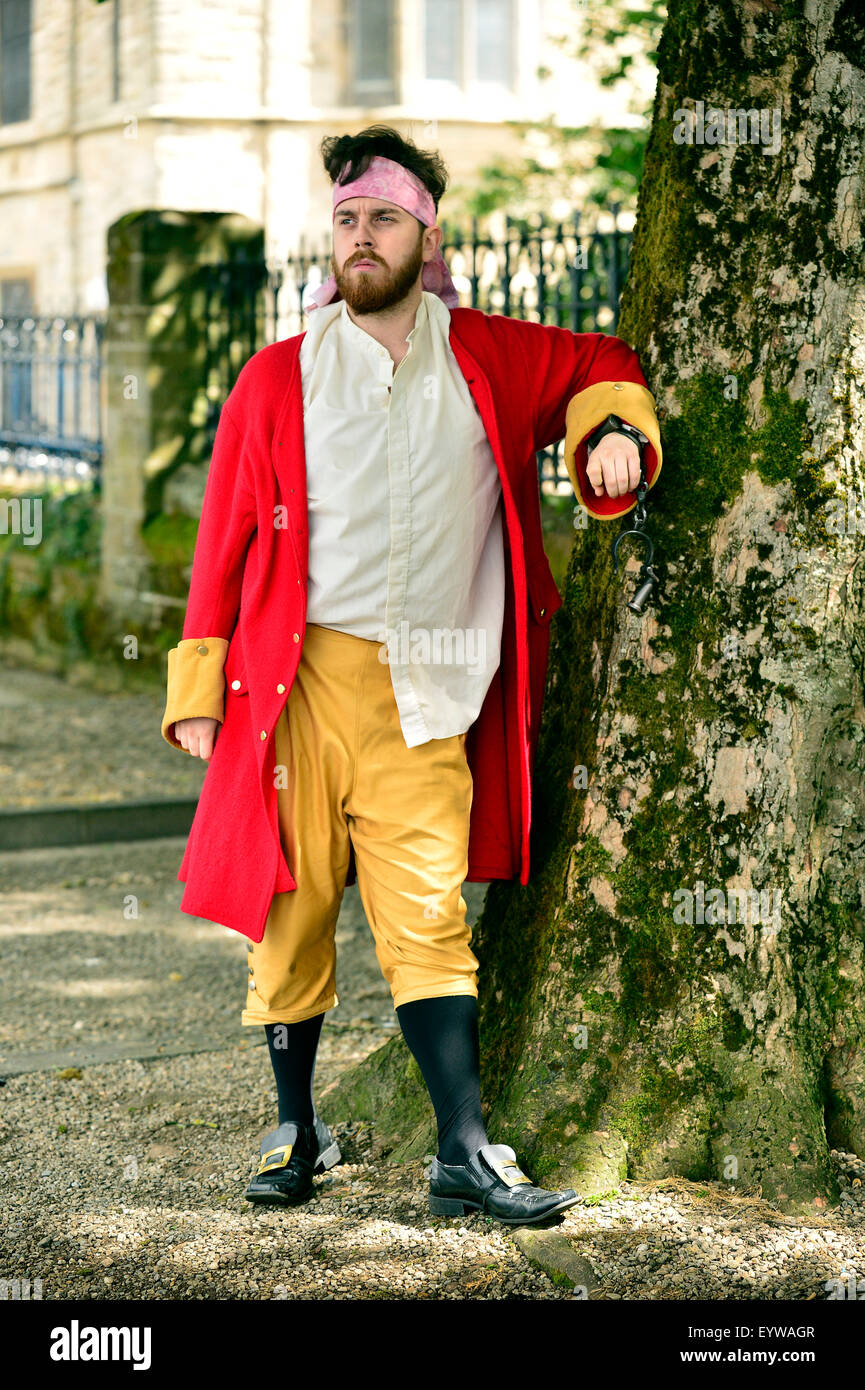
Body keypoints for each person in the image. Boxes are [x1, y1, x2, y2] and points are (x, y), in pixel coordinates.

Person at [161, 124, 662, 1226]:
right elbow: (224, 538)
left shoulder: (487, 353)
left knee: (427, 918)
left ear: (426, 231)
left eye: (383, 217)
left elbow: (600, 364)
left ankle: (463, 1153)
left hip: (430, 688)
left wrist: (612, 430)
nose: (360, 238)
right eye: (345, 219)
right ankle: (295, 1129)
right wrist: (198, 693)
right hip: (291, 689)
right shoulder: (276, 374)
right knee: (287, 916)